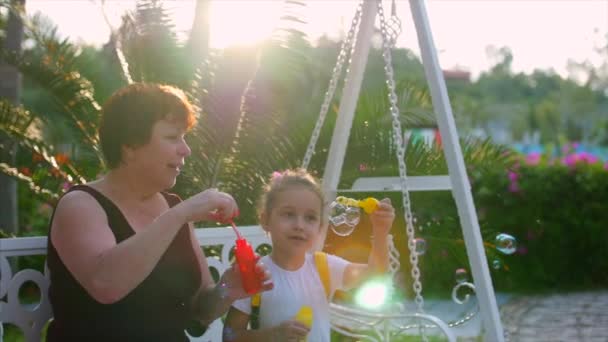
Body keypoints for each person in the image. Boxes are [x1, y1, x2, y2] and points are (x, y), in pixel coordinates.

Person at [46, 83, 273, 341]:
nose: (185, 149)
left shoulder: (174, 207)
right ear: (129, 145)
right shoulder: (80, 205)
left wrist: (228, 289)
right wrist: (180, 215)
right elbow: (106, 285)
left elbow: (198, 313)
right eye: (172, 137)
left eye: (184, 137)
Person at [222, 168, 395, 342]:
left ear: (320, 228)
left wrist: (381, 232)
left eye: (310, 218)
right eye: (289, 214)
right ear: (265, 220)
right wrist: (271, 336)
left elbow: (376, 273)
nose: (299, 225)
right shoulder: (255, 274)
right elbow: (229, 335)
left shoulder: (324, 267)